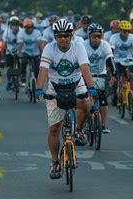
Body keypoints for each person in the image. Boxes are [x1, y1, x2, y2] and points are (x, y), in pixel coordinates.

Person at [35, 19, 98, 179]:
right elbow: (43, 69)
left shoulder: (78, 47)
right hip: (55, 88)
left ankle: (78, 131)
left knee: (85, 103)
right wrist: (39, 88)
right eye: (59, 36)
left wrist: (91, 87)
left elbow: (84, 68)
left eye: (66, 36)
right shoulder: (49, 48)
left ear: (71, 35)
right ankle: (55, 163)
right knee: (55, 129)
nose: (62, 39)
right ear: (55, 36)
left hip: (76, 84)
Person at [84, 23, 116, 133]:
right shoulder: (83, 45)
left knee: (103, 100)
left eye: (99, 36)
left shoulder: (105, 45)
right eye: (94, 36)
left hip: (100, 74)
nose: (96, 39)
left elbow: (110, 60)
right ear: (89, 36)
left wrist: (114, 74)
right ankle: (87, 124)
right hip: (86, 74)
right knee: (86, 101)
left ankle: (102, 125)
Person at [109, 20, 133, 102]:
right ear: (120, 30)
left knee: (131, 76)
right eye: (124, 31)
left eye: (128, 31)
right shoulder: (114, 37)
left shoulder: (132, 37)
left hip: (128, 60)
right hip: (117, 60)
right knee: (116, 78)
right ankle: (115, 95)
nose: (126, 33)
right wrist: (110, 61)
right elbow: (111, 50)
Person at [17, 18, 42, 87]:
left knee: (37, 68)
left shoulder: (37, 32)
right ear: (24, 27)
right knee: (23, 63)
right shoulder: (21, 33)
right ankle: (23, 77)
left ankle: (36, 81)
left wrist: (42, 52)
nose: (29, 29)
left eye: (31, 27)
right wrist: (19, 53)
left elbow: (40, 43)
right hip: (25, 52)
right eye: (27, 27)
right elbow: (20, 44)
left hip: (35, 53)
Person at [4, 17, 22, 90]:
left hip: (19, 51)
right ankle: (9, 81)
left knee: (21, 64)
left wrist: (19, 52)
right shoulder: (7, 32)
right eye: (13, 25)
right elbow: (4, 43)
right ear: (11, 26)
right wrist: (5, 47)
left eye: (17, 25)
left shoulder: (21, 32)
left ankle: (20, 79)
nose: (15, 26)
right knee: (8, 67)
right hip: (9, 51)